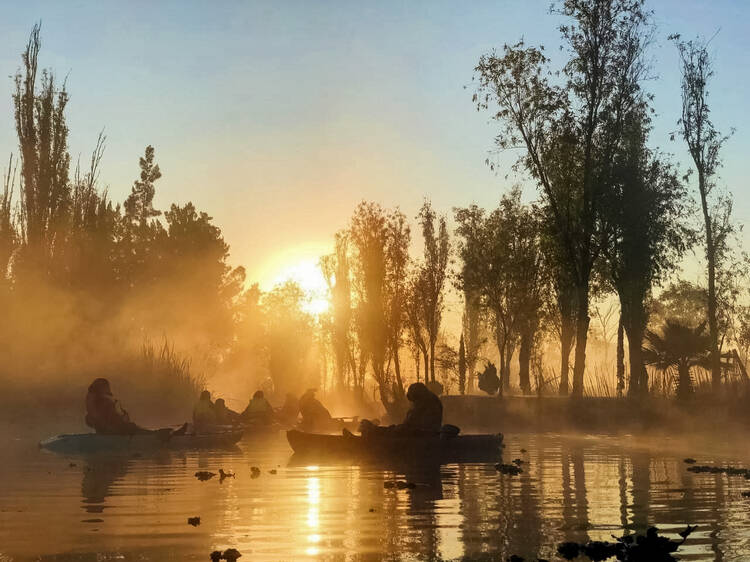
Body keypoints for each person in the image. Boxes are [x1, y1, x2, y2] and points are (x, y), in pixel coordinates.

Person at [358, 382, 443, 438]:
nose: (412, 403)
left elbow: (411, 423)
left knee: (394, 431)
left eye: (413, 400)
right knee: (393, 429)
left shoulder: (425, 401)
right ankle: (373, 430)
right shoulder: (428, 398)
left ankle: (372, 431)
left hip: (422, 434)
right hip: (421, 432)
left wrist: (400, 428)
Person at [85, 378, 151, 435]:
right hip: (113, 429)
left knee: (133, 428)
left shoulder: (98, 401)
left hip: (109, 428)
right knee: (133, 428)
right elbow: (117, 420)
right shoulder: (105, 402)